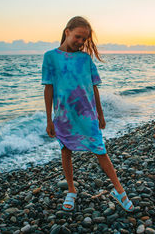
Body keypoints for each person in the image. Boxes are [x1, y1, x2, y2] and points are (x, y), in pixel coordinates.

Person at [42, 16, 134, 212]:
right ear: (67, 32)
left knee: (100, 150)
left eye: (84, 39)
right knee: (66, 151)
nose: (81, 42)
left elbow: (94, 88)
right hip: (64, 116)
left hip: (87, 114)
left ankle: (119, 190)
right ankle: (71, 189)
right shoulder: (50, 57)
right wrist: (49, 119)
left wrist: (100, 114)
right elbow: (48, 88)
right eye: (78, 37)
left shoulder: (85, 59)